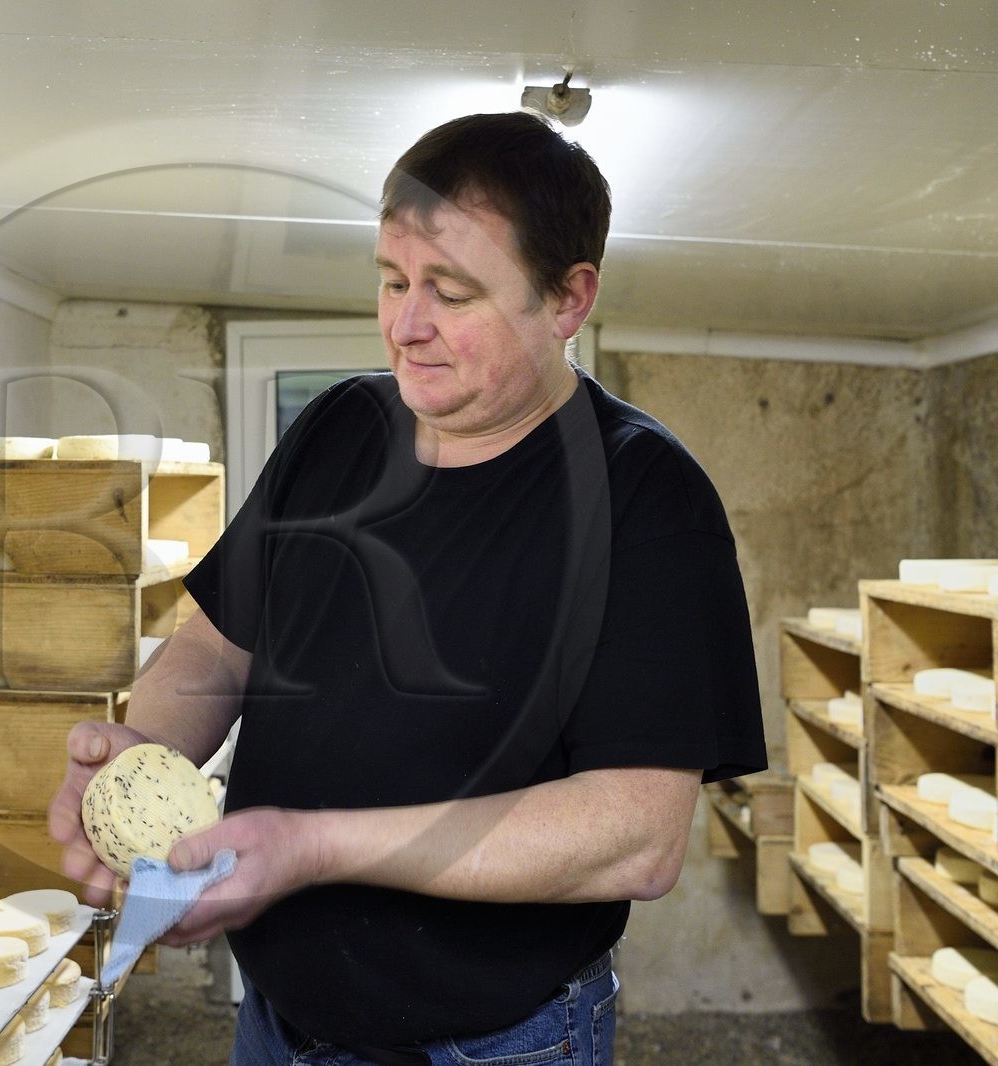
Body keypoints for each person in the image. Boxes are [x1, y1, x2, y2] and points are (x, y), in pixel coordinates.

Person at [48, 111, 766, 1065]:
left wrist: (311, 847)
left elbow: (636, 836)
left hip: (490, 1042)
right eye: (392, 282)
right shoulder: (340, 427)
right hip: (276, 1020)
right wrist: (145, 765)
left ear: (568, 299)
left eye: (453, 293)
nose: (406, 325)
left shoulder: (646, 498)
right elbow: (217, 648)